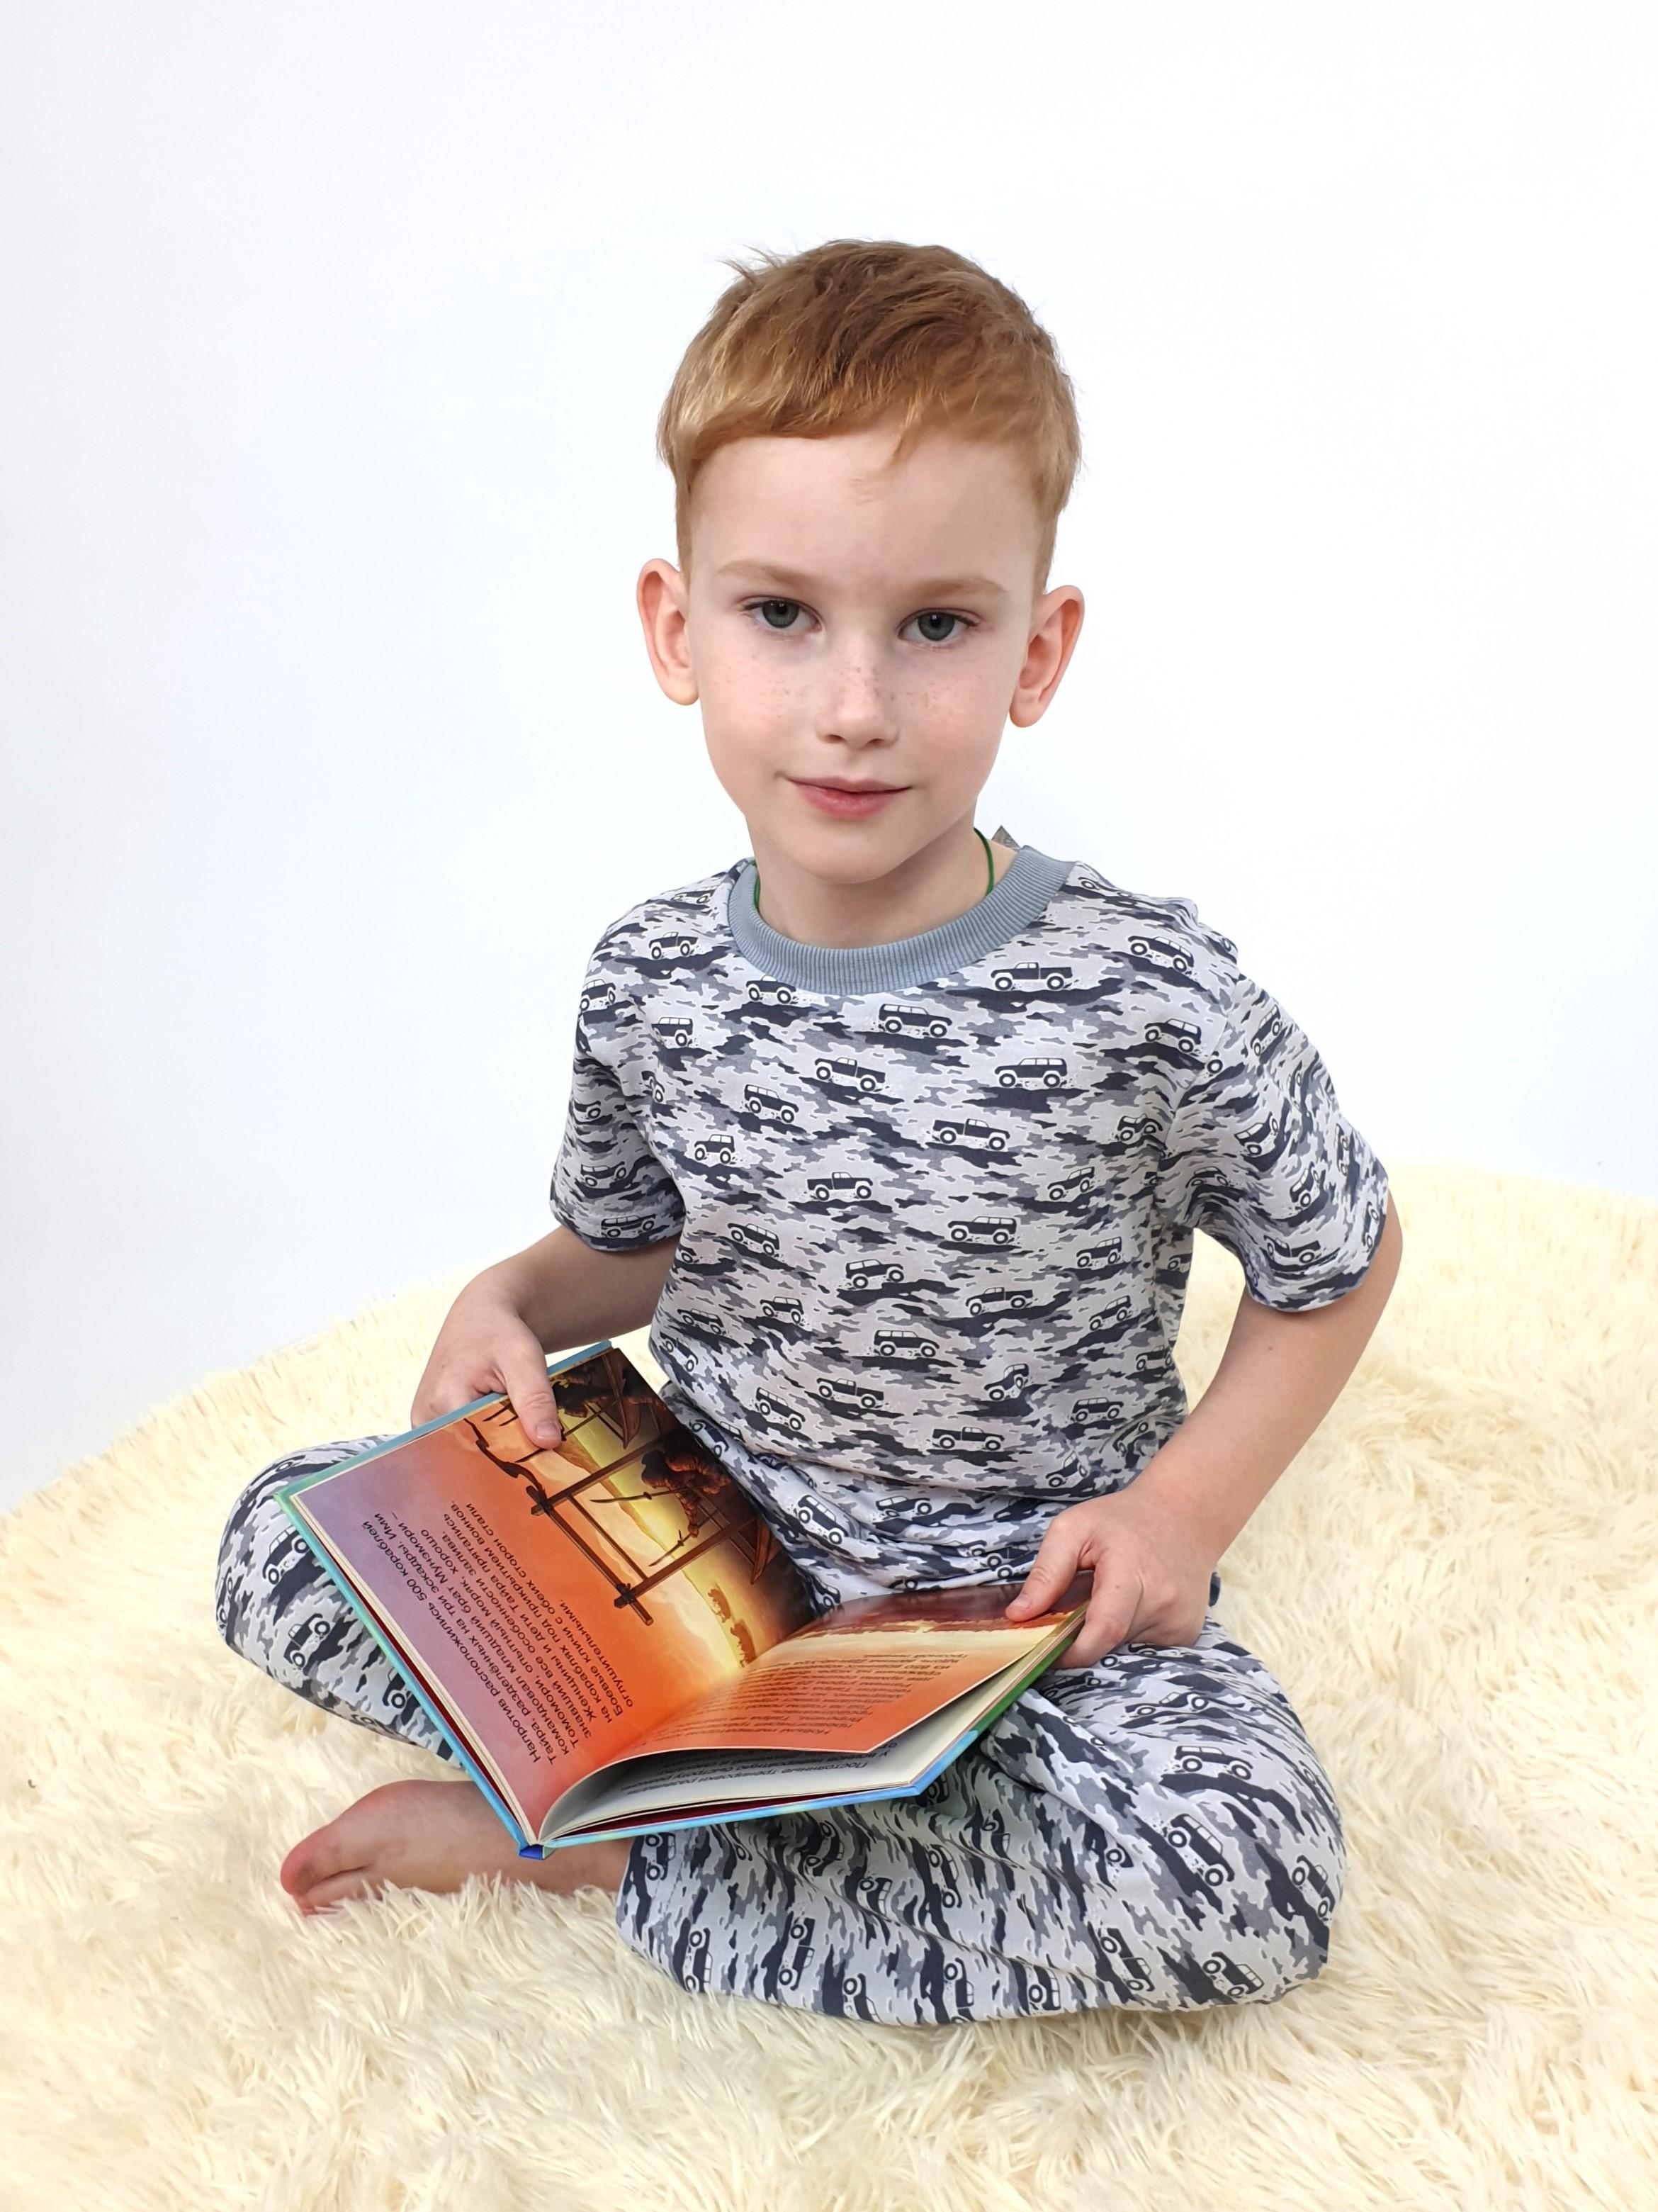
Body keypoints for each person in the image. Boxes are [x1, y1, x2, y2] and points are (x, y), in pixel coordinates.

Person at [215, 238, 1402, 2027]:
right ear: (675, 629)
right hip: (701, 1548)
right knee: (276, 1542)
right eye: (782, 614)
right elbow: (635, 1245)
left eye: (935, 625)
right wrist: (511, 1300)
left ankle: (607, 1845)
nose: (855, 704)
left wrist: (1176, 1514)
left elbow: (1343, 1257)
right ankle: (747, 1795)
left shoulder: (1145, 989)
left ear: (1037, 649)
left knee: (1248, 1873)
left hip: (1019, 1607)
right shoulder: (649, 975)